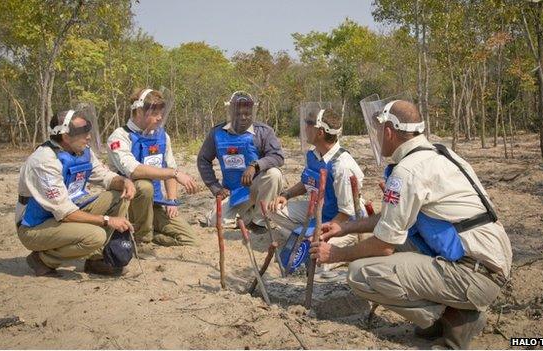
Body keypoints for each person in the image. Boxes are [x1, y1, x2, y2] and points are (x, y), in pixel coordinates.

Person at [311, 99, 512, 349]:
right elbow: (392, 221)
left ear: (388, 132)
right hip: (486, 262)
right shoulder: (439, 155)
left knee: (361, 273)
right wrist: (346, 227)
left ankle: (455, 317)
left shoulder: (407, 171)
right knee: (399, 243)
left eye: (377, 131)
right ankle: (454, 310)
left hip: (475, 274)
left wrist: (337, 254)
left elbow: (384, 245)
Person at [16, 109, 136, 277]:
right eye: (83, 133)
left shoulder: (83, 151)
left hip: (69, 210)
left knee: (119, 196)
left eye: (88, 131)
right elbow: (64, 213)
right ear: (65, 136)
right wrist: (107, 220)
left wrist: (124, 181)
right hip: (35, 225)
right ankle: (43, 260)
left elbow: (105, 176)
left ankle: (96, 261)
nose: (88, 137)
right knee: (95, 236)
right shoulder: (44, 161)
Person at [267, 106, 365, 274]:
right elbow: (307, 182)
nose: (305, 128)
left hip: (346, 222)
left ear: (320, 132)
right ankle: (308, 235)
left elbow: (346, 212)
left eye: (309, 124)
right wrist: (286, 195)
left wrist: (321, 233)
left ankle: (344, 247)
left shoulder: (342, 166)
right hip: (321, 210)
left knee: (316, 261)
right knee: (274, 210)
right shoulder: (314, 155)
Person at [107, 88, 199, 252]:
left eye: (161, 112)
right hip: (127, 204)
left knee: (189, 239)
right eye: (155, 113)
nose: (159, 117)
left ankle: (146, 232)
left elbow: (169, 166)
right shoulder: (119, 137)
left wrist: (171, 200)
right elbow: (133, 170)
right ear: (139, 111)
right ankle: (142, 240)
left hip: (155, 203)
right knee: (144, 184)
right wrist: (175, 174)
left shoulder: (162, 136)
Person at [197, 91, 284, 231]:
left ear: (252, 113)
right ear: (230, 112)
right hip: (233, 193)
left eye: (247, 114)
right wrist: (215, 187)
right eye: (238, 114)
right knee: (216, 222)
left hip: (257, 189)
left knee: (274, 174)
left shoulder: (264, 131)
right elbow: (203, 160)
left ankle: (259, 221)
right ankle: (246, 217)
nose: (243, 118)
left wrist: (256, 165)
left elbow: (277, 156)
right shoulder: (217, 133)